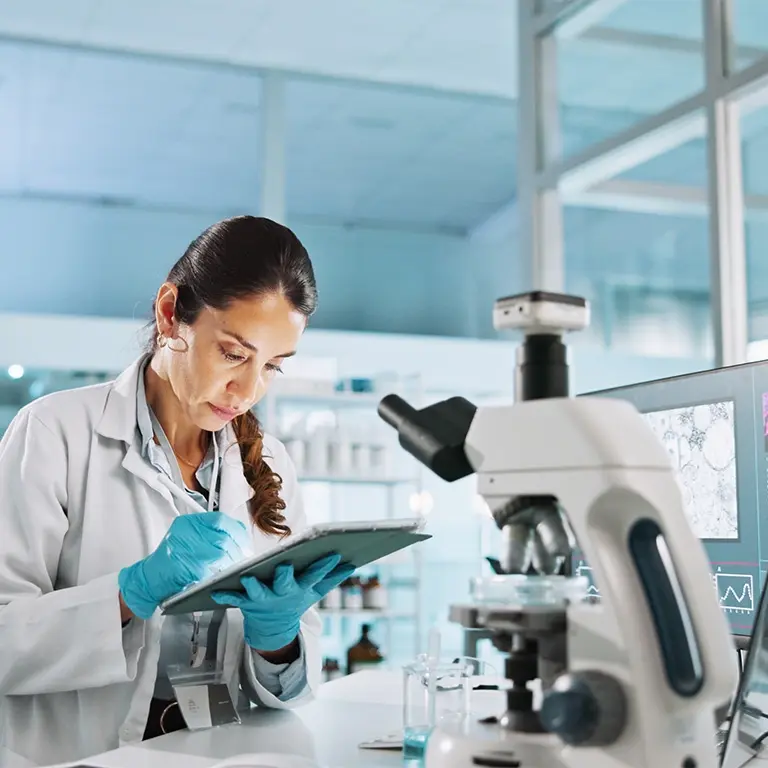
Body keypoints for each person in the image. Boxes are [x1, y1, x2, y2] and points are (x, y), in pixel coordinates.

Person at [0, 216, 354, 768]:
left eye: (272, 367)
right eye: (234, 353)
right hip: (83, 756)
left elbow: (290, 691)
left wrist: (278, 638)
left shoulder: (272, 462)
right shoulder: (54, 432)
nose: (248, 390)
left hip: (219, 754)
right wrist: (130, 594)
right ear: (170, 314)